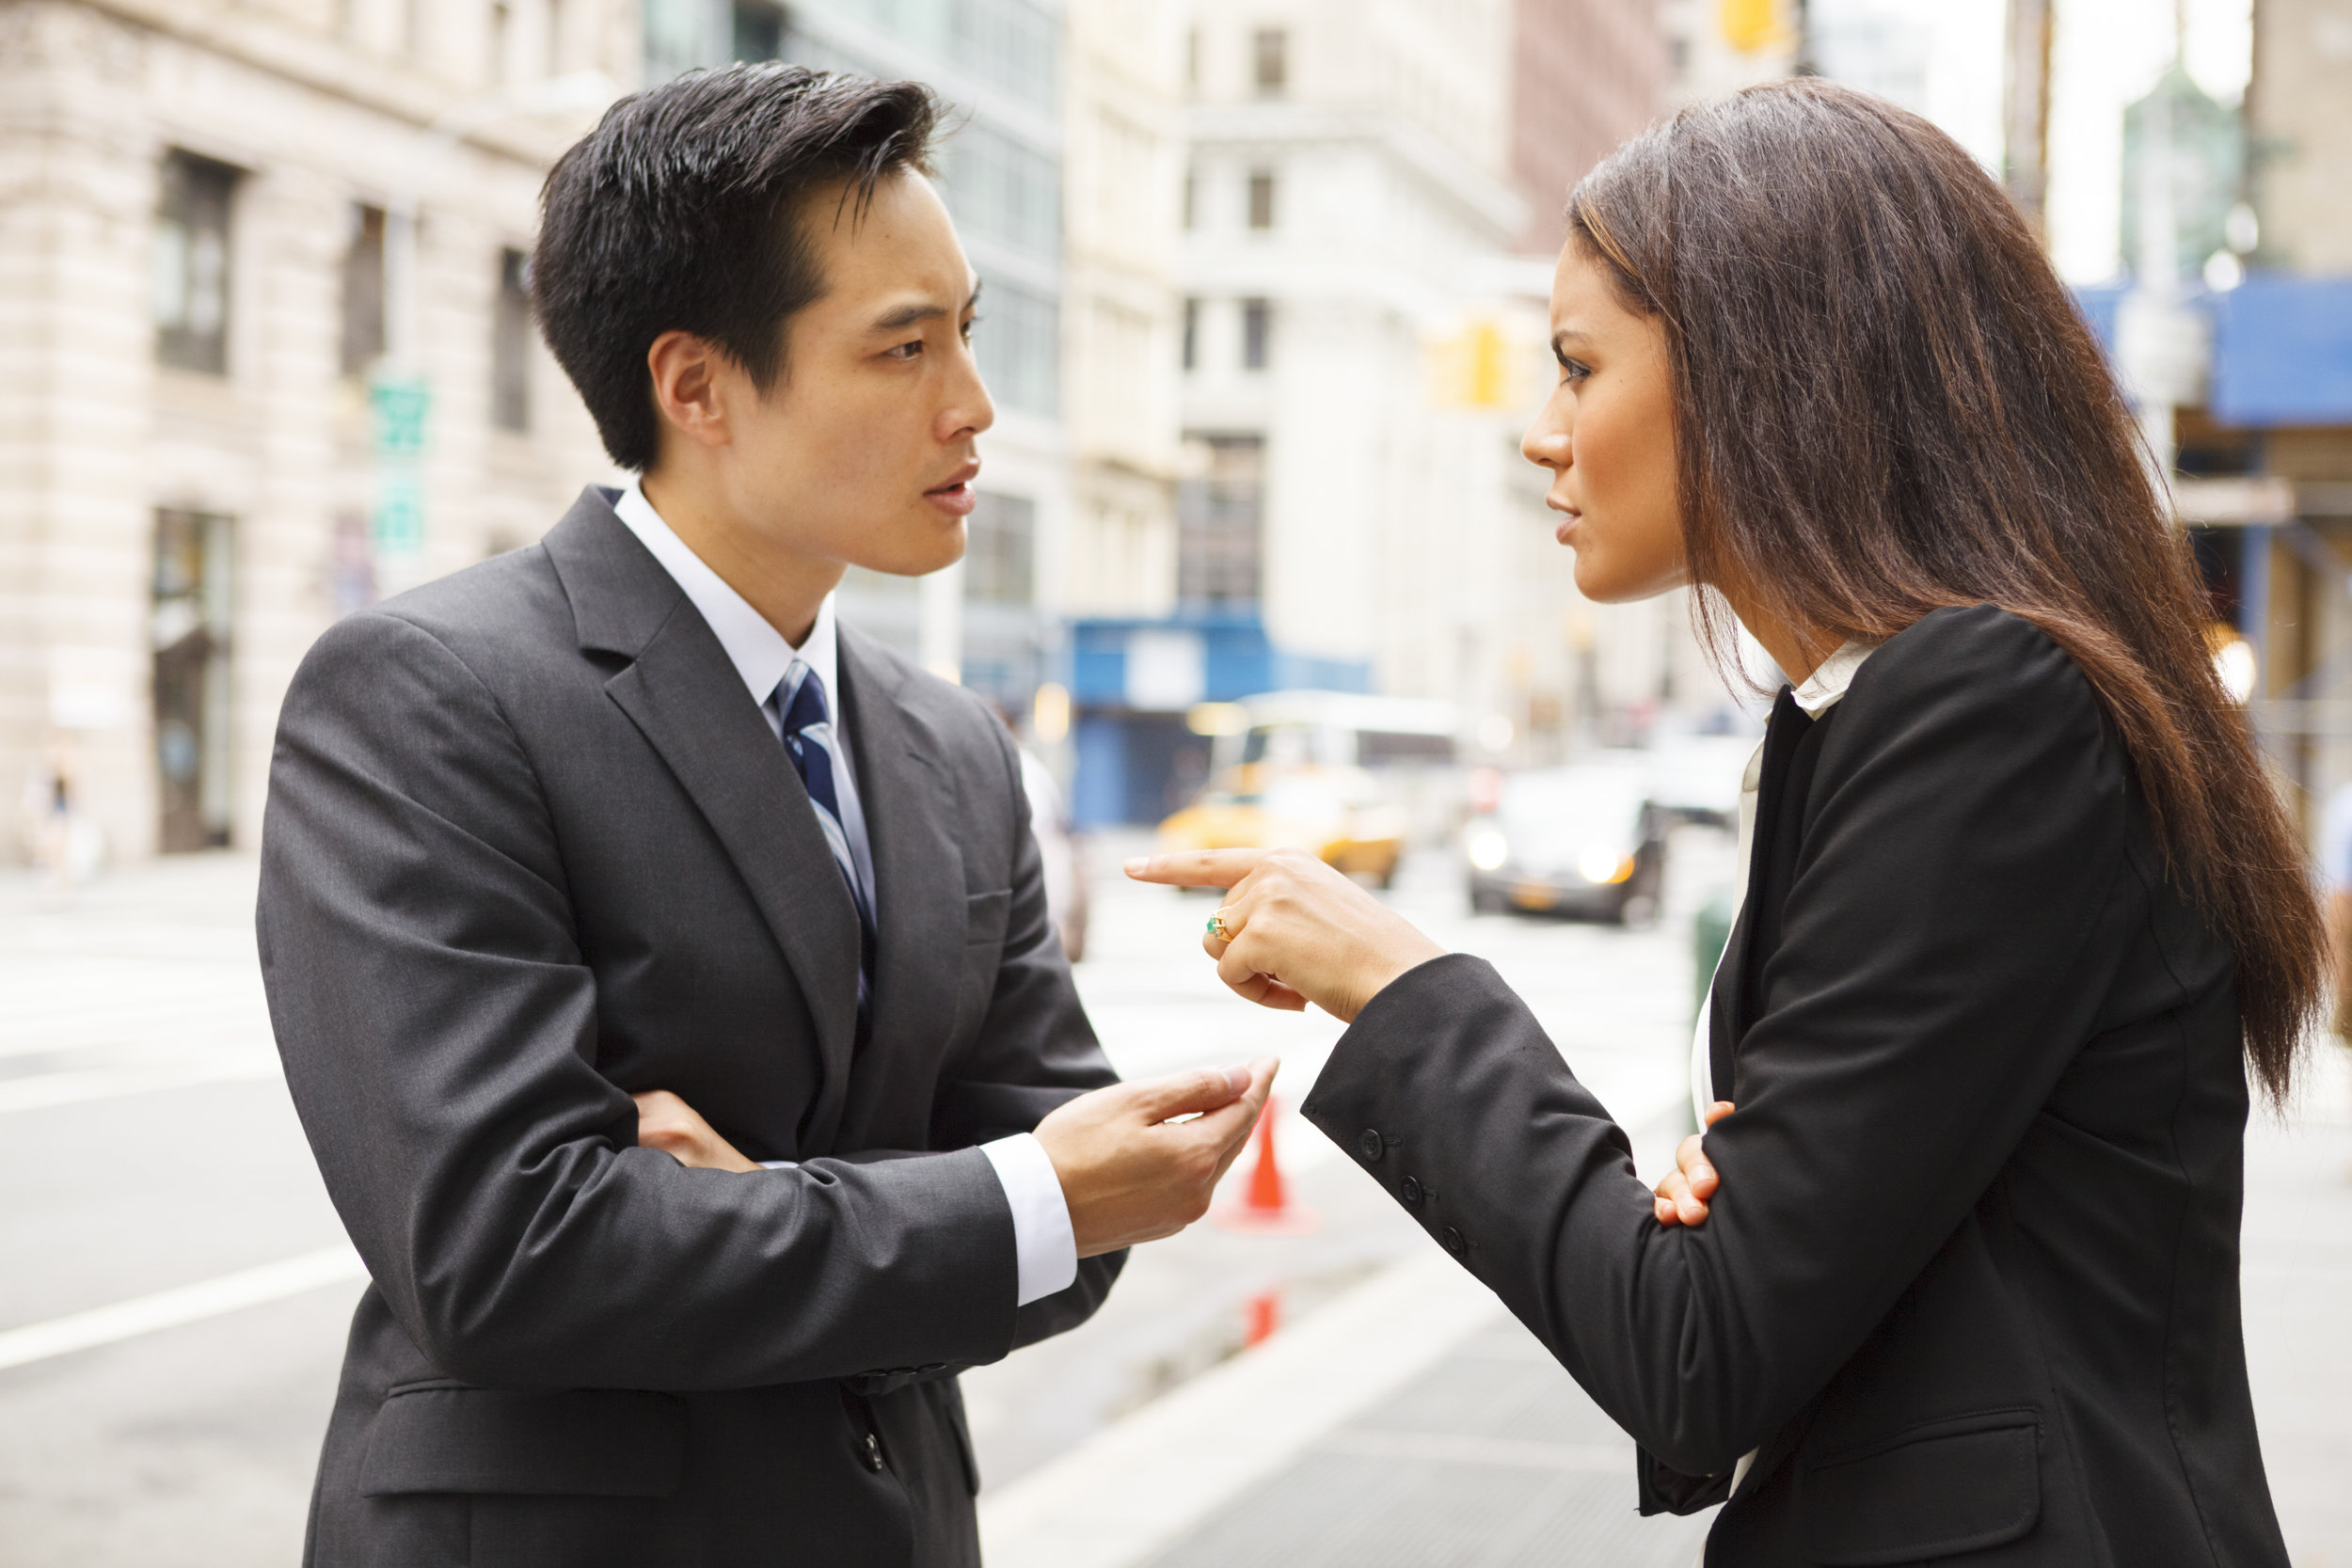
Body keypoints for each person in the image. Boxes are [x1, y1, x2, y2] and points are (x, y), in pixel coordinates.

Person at [1130, 79, 2320, 1566]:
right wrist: (1718, 1207)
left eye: (1578, 368)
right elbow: (1763, 1296)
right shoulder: (1852, 715)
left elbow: (1700, 1353)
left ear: (1767, 368)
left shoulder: (1984, 702)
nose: (1539, 435)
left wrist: (1403, 988)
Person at [260, 66, 1273, 1568]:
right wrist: (993, 1204)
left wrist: (792, 1214)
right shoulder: (429, 695)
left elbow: (1081, 1205)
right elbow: (508, 1254)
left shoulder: (950, 747)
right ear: (697, 388)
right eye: (903, 348)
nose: (973, 408)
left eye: (968, 335)